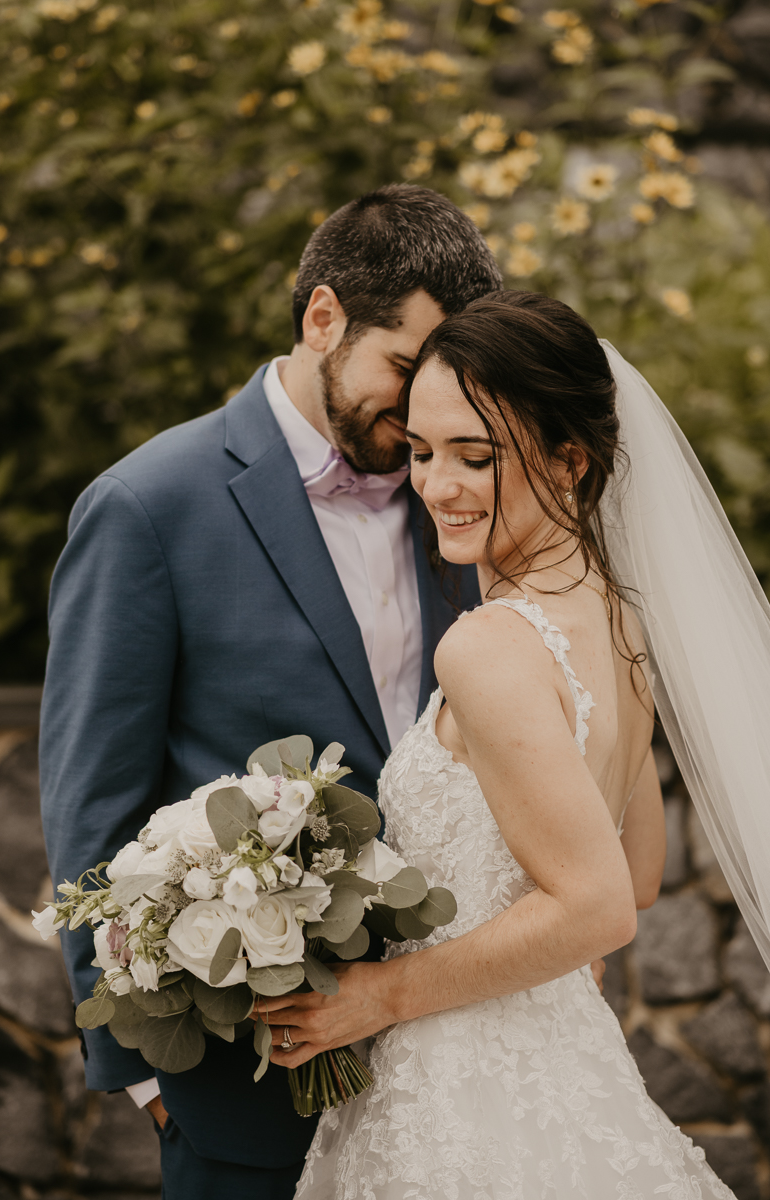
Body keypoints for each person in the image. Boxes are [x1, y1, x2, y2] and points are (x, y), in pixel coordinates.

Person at [38, 185, 501, 1199]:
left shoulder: (464, 499)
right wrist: (142, 1081)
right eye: (404, 369)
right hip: (243, 1083)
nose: (427, 409)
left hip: (457, 1066)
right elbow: (91, 810)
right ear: (322, 316)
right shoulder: (147, 507)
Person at [258, 291, 745, 1198]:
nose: (437, 485)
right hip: (565, 1062)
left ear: (570, 461)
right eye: (421, 451)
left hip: (457, 1090)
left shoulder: (487, 645)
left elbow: (602, 907)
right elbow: (635, 868)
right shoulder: (623, 621)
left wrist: (378, 995)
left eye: (475, 458)